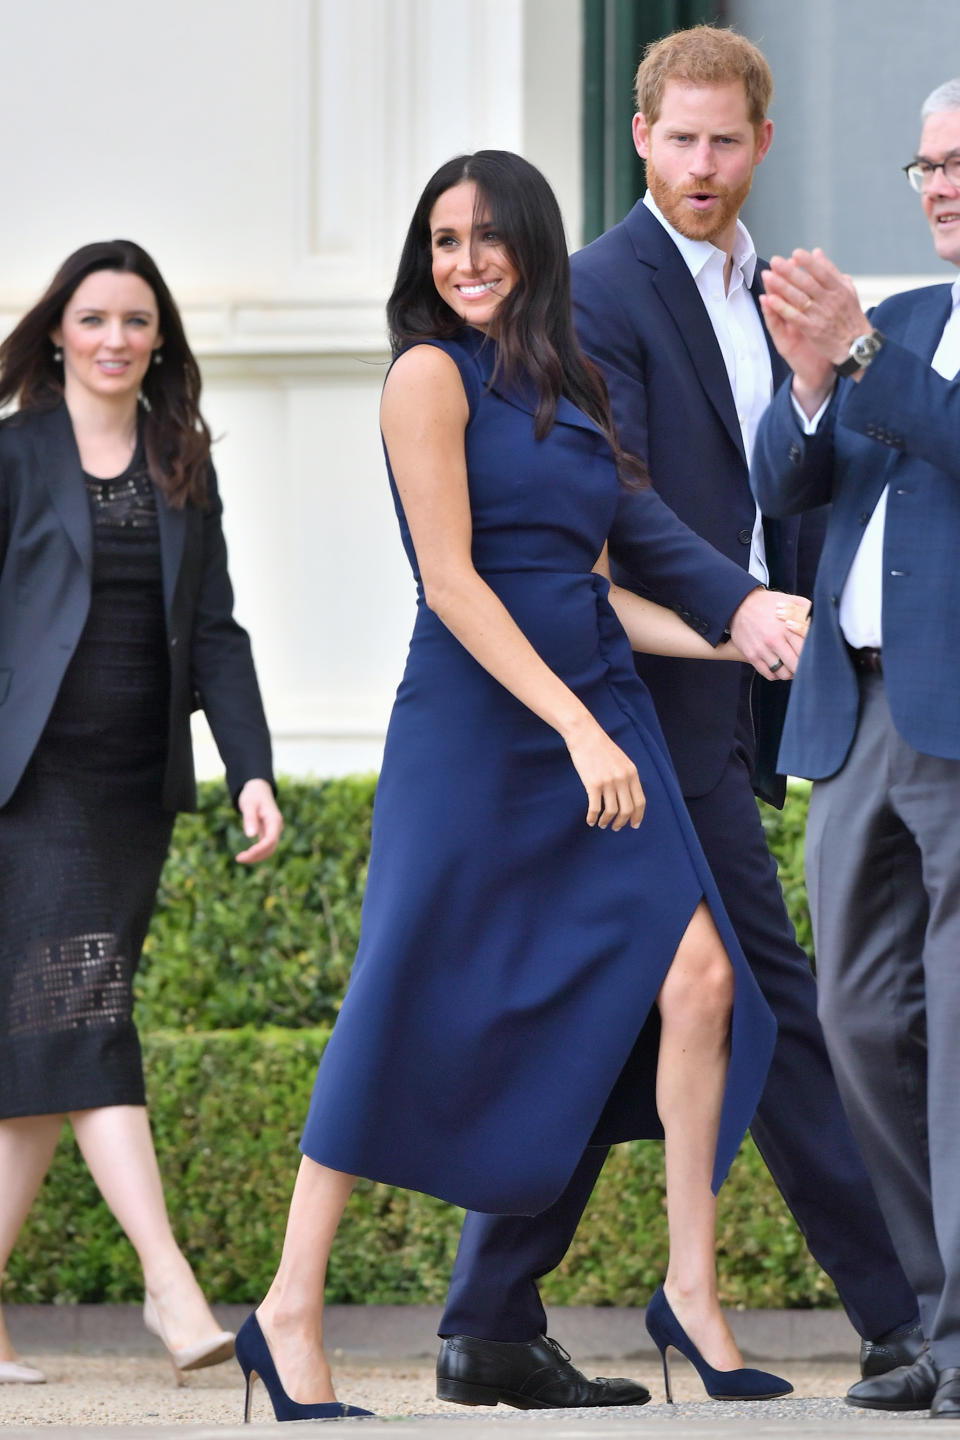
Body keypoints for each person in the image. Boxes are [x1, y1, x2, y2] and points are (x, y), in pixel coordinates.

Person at [232, 149, 797, 1424]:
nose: (466, 261)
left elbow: (584, 586)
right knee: (396, 1000)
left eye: (488, 237)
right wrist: (578, 733)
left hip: (590, 705)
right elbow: (457, 584)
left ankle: (692, 1292)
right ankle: (287, 1309)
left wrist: (743, 631)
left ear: (534, 247)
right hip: (481, 730)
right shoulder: (424, 375)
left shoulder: (567, 382)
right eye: (444, 239)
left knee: (705, 981)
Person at [436, 24, 922, 1411]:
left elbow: (792, 479)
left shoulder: (770, 287)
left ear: (764, 145)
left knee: (625, 1013)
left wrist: (830, 401)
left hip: (727, 701)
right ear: (641, 136)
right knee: (777, 997)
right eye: (680, 139)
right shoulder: (597, 288)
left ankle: (485, 1316)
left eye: (728, 142)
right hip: (634, 696)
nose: (704, 166)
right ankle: (910, 1313)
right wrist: (739, 607)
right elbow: (620, 497)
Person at [0, 240, 283, 1386]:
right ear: (59, 331)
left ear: (158, 336)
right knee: (87, 1016)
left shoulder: (181, 459)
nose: (114, 338)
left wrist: (249, 767)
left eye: (134, 320)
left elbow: (215, 630)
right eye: (93, 318)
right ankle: (171, 1290)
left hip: (132, 792)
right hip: (31, 790)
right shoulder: (13, 456)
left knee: (41, 1047)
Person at [752, 76, 960, 1423]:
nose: (940, 184)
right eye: (927, 165)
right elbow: (792, 489)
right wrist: (814, 386)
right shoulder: (912, 322)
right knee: (858, 1016)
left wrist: (870, 367)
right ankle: (936, 1318)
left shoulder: (904, 346)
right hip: (858, 709)